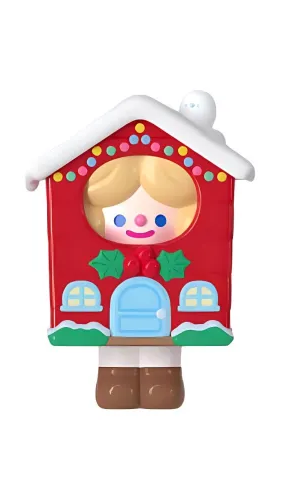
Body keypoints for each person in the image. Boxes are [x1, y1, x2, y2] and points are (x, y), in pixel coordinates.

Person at [84, 155, 197, 409]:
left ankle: (163, 379)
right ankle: (116, 378)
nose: (140, 222)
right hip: (118, 326)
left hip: (161, 325)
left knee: (162, 360)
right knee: (116, 358)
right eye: (120, 219)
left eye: (160, 219)